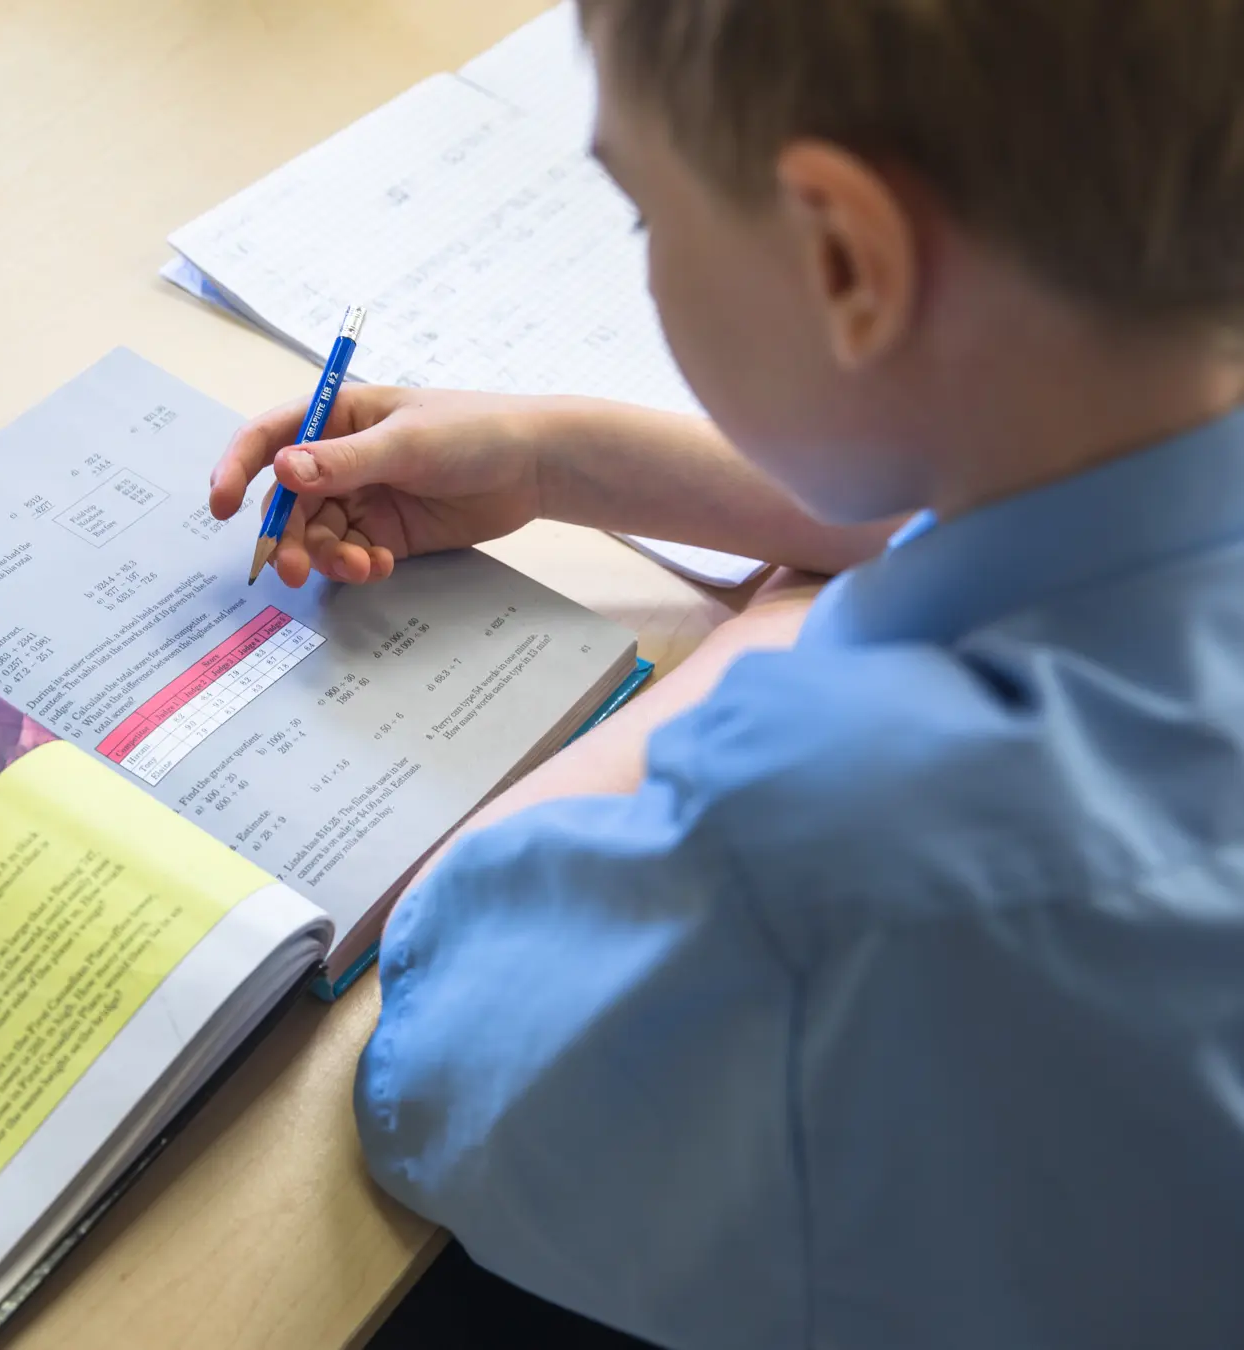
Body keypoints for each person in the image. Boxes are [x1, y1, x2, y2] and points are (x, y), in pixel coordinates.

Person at [206, 3, 1244, 1347]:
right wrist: (560, 458)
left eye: (644, 213)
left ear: (845, 262)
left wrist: (760, 646)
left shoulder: (840, 836)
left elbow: (443, 1055)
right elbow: (1002, 496)